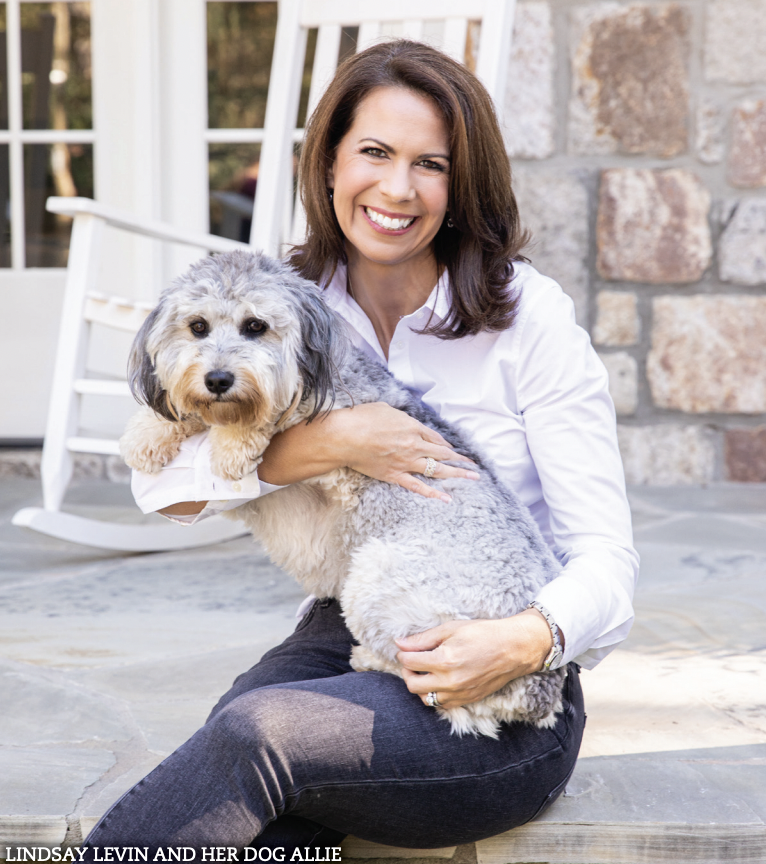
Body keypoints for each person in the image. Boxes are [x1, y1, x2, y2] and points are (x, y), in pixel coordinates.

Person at [82, 40, 637, 855]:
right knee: (248, 786)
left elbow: (610, 566)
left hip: (511, 688)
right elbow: (159, 490)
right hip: (349, 628)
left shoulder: (531, 319)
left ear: (461, 184)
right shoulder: (282, 307)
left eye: (431, 164)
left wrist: (522, 638)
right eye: (374, 152)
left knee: (258, 735)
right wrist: (323, 443)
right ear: (332, 163)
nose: (398, 187)